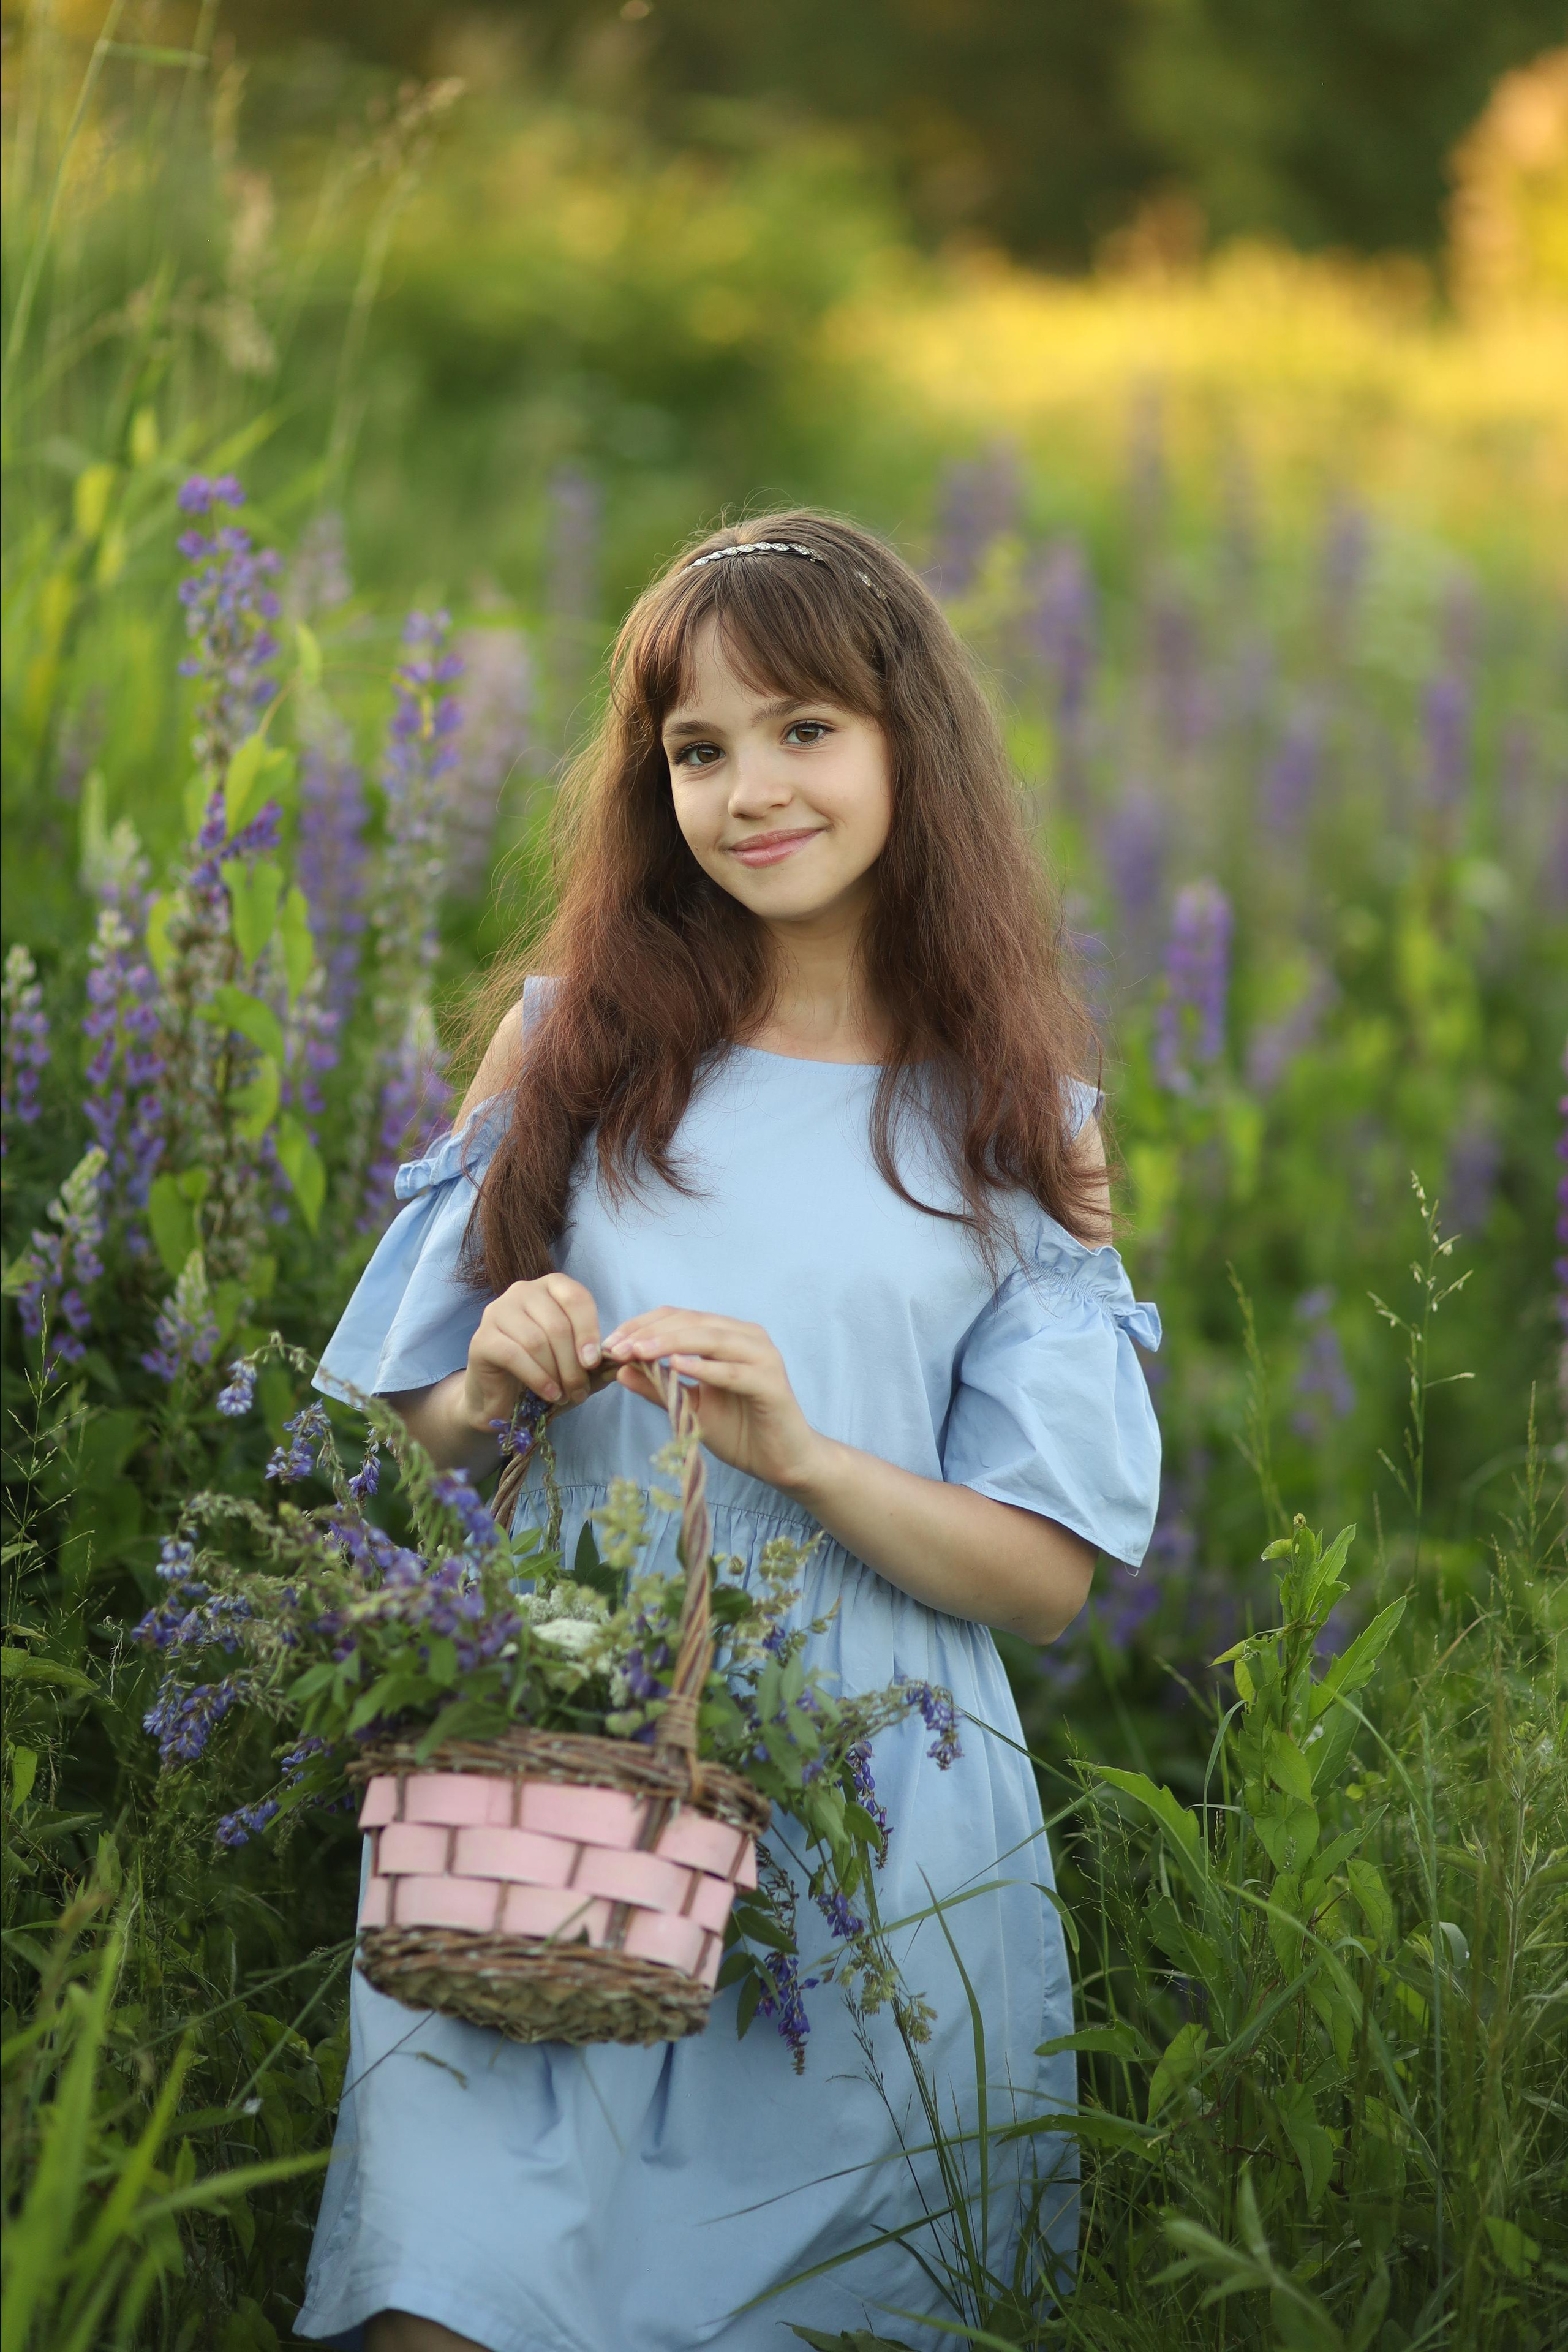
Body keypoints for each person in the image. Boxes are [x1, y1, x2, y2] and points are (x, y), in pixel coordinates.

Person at [295, 513, 1161, 2352]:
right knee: (448, 2298)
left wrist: (810, 1451)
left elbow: (1046, 1581)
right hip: (548, 1775)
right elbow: (417, 1444)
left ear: (907, 743)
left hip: (874, 1821)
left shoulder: (1018, 1130)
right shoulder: (567, 1046)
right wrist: (496, 1377)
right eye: (698, 750)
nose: (750, 790)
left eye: (802, 732)